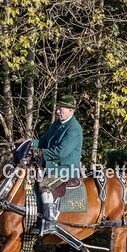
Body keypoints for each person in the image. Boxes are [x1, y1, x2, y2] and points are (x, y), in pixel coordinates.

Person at [32, 94, 84, 236]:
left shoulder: (74, 129)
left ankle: (49, 222)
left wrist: (41, 153)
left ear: (71, 110)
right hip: (53, 166)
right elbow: (43, 141)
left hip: (66, 169)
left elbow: (61, 152)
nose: (57, 111)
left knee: (44, 184)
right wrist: (28, 143)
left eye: (61, 109)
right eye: (57, 108)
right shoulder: (57, 124)